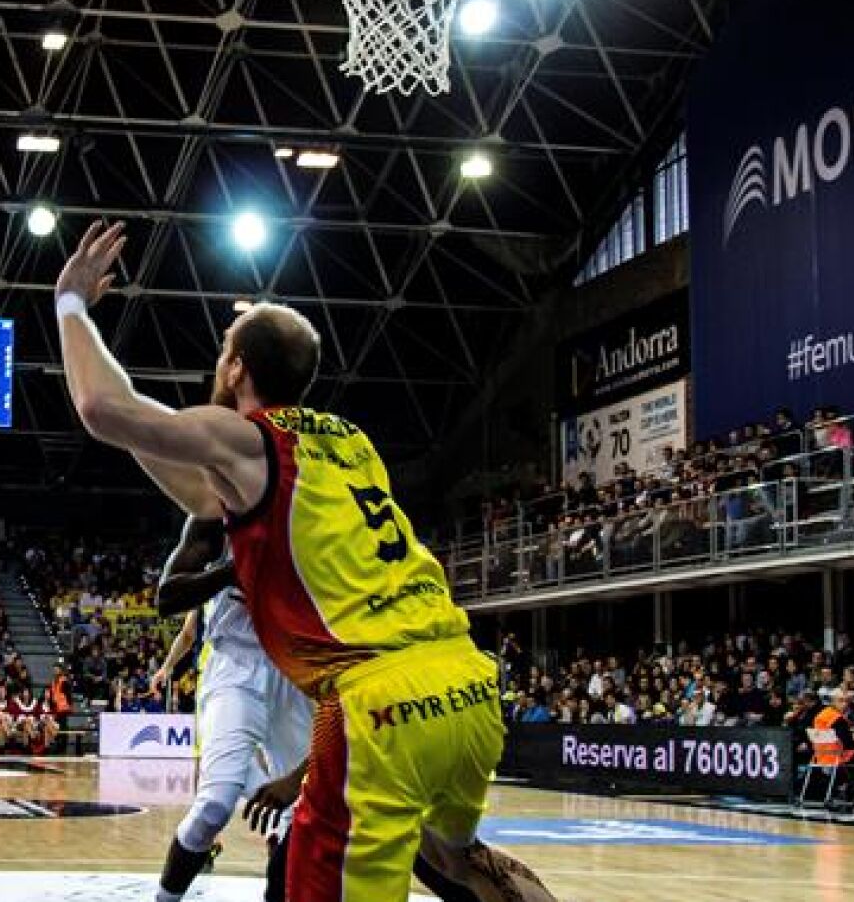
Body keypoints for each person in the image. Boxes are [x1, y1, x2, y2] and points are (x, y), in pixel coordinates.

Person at [49, 222, 555, 902]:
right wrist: (147, 434)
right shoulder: (348, 443)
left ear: (235, 368)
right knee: (463, 862)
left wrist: (71, 305)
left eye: (225, 352)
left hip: (377, 704)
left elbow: (100, 406)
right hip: (465, 683)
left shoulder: (250, 439)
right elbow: (200, 485)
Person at [147, 519, 312, 902]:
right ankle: (164, 898)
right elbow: (167, 597)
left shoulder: (314, 515)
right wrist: (234, 570)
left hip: (296, 665)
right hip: (235, 667)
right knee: (215, 804)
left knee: (306, 810)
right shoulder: (214, 520)